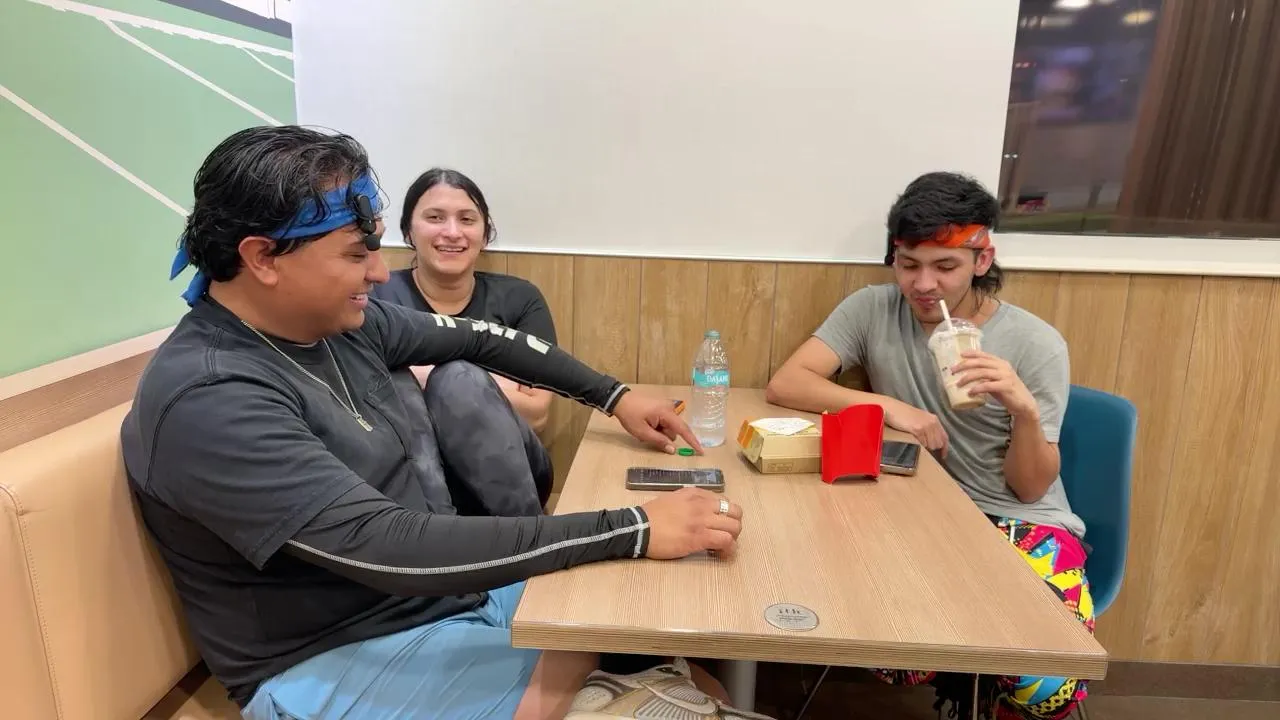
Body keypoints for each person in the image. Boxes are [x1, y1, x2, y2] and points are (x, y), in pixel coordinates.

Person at [121, 126, 757, 720]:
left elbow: (481, 338)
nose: (378, 271)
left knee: (680, 663)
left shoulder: (340, 326)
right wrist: (632, 527)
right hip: (326, 662)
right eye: (356, 253)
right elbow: (385, 544)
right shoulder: (210, 396)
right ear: (263, 257)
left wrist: (614, 395)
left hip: (437, 604)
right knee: (660, 685)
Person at [765, 172, 1093, 720]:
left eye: (945, 266)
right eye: (908, 264)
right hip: (916, 511)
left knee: (1047, 684)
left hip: (1018, 518)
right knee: (896, 652)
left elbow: (1031, 487)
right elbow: (786, 383)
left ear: (982, 260)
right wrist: (891, 408)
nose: (923, 284)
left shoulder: (1036, 344)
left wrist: (1025, 411)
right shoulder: (872, 310)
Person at [370, 168, 556, 516]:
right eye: (435, 218)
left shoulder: (519, 298)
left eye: (467, 219)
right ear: (409, 231)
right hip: (412, 484)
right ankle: (437, 533)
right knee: (401, 385)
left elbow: (537, 414)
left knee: (454, 379)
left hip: (516, 476)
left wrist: (438, 375)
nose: (452, 232)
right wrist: (490, 384)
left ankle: (527, 536)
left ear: (485, 233)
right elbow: (367, 397)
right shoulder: (376, 296)